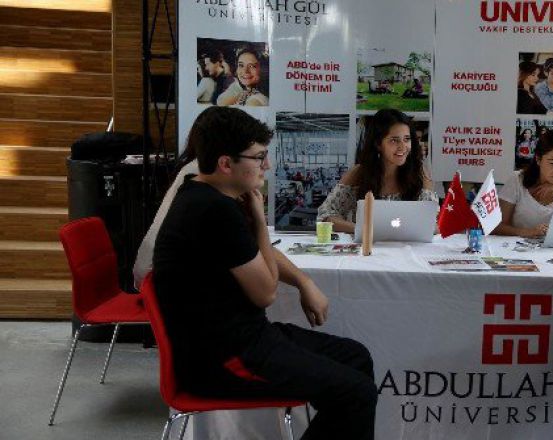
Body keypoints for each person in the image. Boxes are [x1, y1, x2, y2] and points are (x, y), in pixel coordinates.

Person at [152, 107, 377, 440]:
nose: (267, 165)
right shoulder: (214, 210)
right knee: (356, 393)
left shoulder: (203, 192)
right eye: (258, 158)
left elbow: (257, 254)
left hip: (242, 338)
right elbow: (266, 292)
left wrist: (303, 281)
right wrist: (258, 219)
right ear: (226, 163)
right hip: (224, 359)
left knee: (356, 358)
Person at [317, 108, 438, 233]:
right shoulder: (359, 173)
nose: (403, 147)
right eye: (394, 140)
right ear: (378, 144)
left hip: (407, 249)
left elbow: (434, 224)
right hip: (366, 248)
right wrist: (362, 230)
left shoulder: (420, 175)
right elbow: (325, 217)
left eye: (406, 139)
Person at [495, 129, 553, 238]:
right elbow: (497, 227)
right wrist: (528, 232)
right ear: (538, 159)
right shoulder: (517, 179)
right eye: (552, 163)